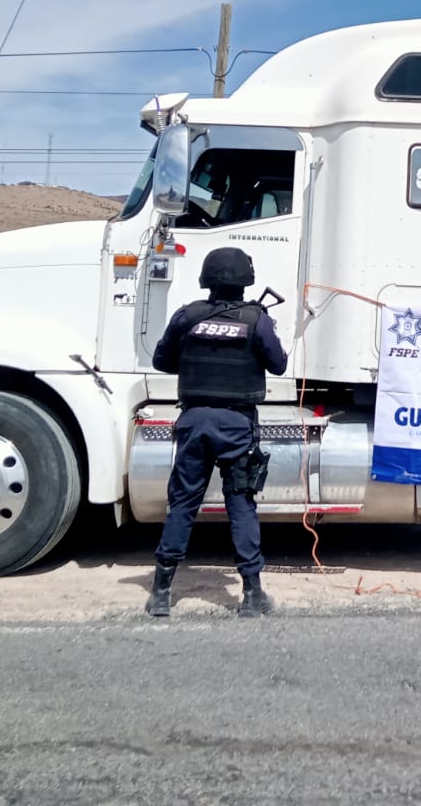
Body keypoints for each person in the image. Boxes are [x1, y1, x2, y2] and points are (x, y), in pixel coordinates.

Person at [145, 246, 287, 619]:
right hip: (237, 425)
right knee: (241, 504)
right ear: (246, 281)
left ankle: (160, 593)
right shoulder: (256, 319)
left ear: (207, 279)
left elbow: (162, 360)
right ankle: (252, 595)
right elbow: (279, 364)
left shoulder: (187, 316)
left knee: (183, 505)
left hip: (194, 423)